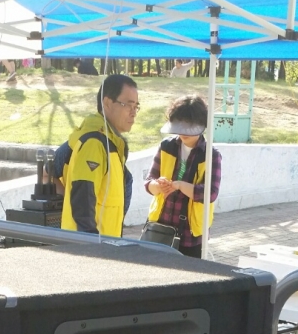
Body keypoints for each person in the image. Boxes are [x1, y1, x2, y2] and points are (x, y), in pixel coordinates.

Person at [144, 95, 221, 259]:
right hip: (160, 228)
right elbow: (149, 183)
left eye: (189, 125)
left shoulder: (211, 155)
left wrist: (179, 185)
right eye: (179, 124)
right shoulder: (166, 146)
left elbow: (210, 194)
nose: (183, 131)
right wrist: (158, 185)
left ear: (201, 124)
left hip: (191, 235)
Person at [61, 74, 138, 237]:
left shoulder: (111, 143)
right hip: (89, 246)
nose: (133, 113)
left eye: (136, 106)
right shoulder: (95, 143)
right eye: (128, 105)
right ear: (107, 103)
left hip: (105, 244)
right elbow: (83, 199)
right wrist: (93, 245)